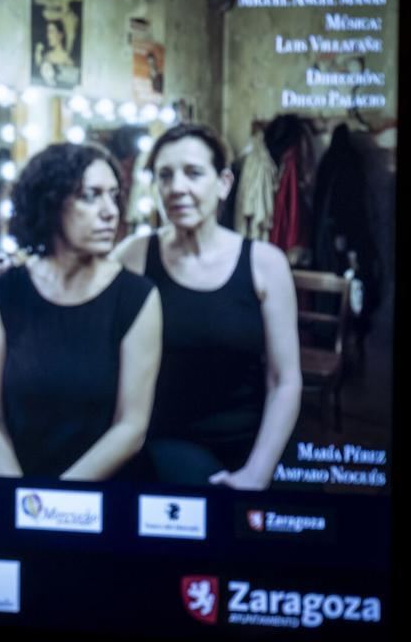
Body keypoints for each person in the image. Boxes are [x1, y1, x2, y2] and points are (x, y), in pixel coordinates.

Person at [114, 123, 302, 489]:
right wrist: (11, 278)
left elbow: (285, 380)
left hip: (253, 443)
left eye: (193, 173)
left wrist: (256, 475)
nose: (177, 187)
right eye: (165, 176)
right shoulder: (134, 256)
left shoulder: (265, 263)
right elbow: (75, 284)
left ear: (223, 184)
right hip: (167, 447)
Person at [0, 143, 161, 479]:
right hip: (18, 482)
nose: (110, 211)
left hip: (100, 490)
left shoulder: (135, 296)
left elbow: (131, 427)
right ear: (51, 202)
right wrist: (16, 489)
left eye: (113, 196)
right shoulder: (7, 290)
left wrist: (57, 498)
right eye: (90, 196)